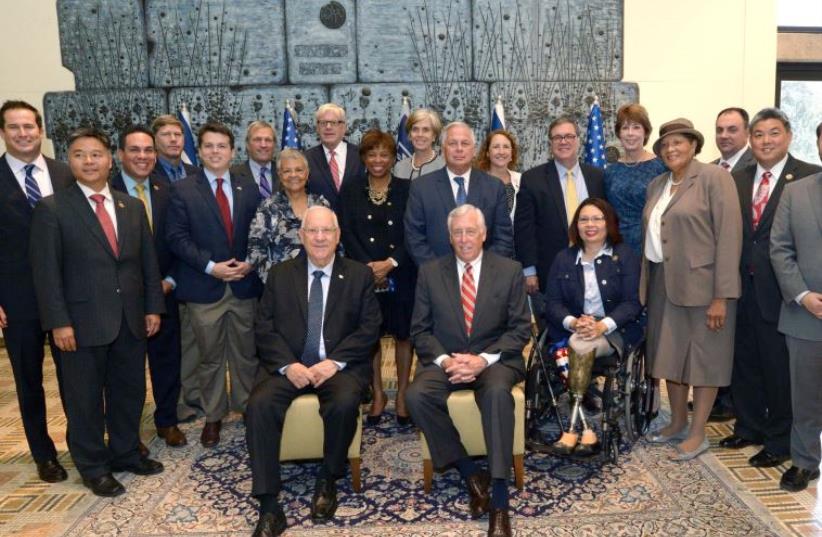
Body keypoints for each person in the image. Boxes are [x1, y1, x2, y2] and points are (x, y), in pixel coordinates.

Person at [29, 127, 165, 497]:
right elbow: (46, 274)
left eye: (96, 154)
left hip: (130, 320)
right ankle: (93, 465)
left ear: (111, 159)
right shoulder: (52, 209)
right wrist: (58, 322)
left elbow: (147, 264)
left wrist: (153, 307)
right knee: (84, 398)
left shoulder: (131, 206)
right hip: (80, 324)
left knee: (129, 392)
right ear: (68, 160)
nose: (89, 161)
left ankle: (124, 452)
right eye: (79, 154)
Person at [247, 206, 381, 537]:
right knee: (259, 405)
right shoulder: (280, 274)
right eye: (312, 231)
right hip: (287, 365)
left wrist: (332, 363)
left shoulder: (359, 275)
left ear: (337, 236)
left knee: (345, 401)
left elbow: (369, 329)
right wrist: (288, 365)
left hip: (337, 365)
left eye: (326, 231)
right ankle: (268, 504)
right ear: (302, 236)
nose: (320, 237)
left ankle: (328, 478)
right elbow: (263, 328)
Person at [405, 204, 530, 537]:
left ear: (484, 233)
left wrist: (482, 361)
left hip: (495, 360)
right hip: (447, 359)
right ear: (449, 237)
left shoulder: (510, 270)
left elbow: (520, 329)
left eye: (470, 231)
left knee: (496, 394)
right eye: (457, 232)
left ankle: (500, 499)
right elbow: (420, 330)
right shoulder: (431, 272)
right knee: (416, 395)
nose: (464, 238)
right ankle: (469, 471)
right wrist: (447, 361)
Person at [720, 109, 821, 468]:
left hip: (785, 293)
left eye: (773, 133)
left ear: (790, 136)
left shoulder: (809, 177)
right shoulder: (738, 178)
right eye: (759, 134)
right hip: (741, 288)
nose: (765, 141)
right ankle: (749, 426)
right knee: (744, 361)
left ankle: (780, 439)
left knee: (779, 369)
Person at [641, 118, 742, 461]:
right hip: (662, 283)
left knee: (704, 361)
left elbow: (729, 237)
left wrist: (721, 296)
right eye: (666, 145)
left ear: (694, 145)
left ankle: (698, 433)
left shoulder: (715, 178)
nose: (671, 149)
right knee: (669, 356)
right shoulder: (657, 184)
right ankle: (677, 422)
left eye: (679, 142)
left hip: (704, 289)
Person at [166, 122, 263, 448]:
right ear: (199, 151)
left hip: (243, 285)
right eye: (208, 146)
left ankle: (248, 409)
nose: (215, 151)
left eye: (222, 146)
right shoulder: (182, 189)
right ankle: (213, 416)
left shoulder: (247, 187)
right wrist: (211, 266)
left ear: (233, 151)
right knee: (209, 358)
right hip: (204, 288)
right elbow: (176, 238)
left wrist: (250, 261)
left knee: (245, 355)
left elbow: (258, 231)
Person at [0, 100, 73, 483]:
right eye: (14, 127)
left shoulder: (64, 173)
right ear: (3, 132)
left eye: (29, 126)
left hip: (67, 295)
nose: (23, 133)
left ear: (40, 129)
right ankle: (44, 454)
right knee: (29, 380)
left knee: (75, 375)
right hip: (17, 299)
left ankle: (83, 444)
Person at [543, 198, 642, 455]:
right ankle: (585, 428)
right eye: (584, 219)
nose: (590, 225)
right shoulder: (564, 259)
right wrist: (574, 322)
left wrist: (602, 326)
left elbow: (633, 303)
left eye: (597, 218)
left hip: (613, 329)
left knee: (579, 345)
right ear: (576, 225)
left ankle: (573, 428)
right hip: (574, 326)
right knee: (577, 341)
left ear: (608, 223)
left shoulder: (626, 256)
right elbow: (552, 303)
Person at [110, 125, 187, 448]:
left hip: (164, 291)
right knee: (125, 369)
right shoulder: (106, 191)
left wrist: (169, 281)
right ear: (120, 155)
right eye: (135, 150)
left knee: (166, 361)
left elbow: (179, 241)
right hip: (119, 298)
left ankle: (167, 420)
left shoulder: (167, 190)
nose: (142, 157)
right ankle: (129, 434)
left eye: (148, 151)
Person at [339, 129, 415, 425]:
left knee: (403, 335)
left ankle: (403, 395)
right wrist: (369, 268)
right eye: (372, 154)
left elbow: (414, 230)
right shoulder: (350, 189)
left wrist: (391, 263)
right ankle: (379, 395)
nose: (378, 160)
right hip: (363, 274)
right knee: (369, 335)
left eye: (384, 154)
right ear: (363, 158)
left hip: (402, 272)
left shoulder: (408, 189)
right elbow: (345, 230)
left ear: (393, 157)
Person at [770, 170, 822, 492]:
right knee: (805, 395)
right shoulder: (796, 191)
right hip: (806, 313)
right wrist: (803, 296)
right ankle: (804, 461)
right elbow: (780, 248)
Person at [515, 116, 605, 297]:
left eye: (569, 136)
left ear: (578, 140)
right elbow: (524, 229)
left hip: (595, 266)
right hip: (550, 269)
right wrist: (529, 271)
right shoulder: (532, 179)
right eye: (557, 137)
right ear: (550, 143)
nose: (563, 141)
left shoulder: (598, 177)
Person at [150, 114, 202, 424]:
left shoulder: (195, 173)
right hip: (162, 273)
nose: (173, 140)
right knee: (168, 348)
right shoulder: (147, 173)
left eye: (177, 134)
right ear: (155, 140)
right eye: (167, 135)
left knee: (192, 343)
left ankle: (191, 396)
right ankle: (173, 404)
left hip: (191, 271)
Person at [404, 121, 513, 267]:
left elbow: (503, 237)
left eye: (465, 143)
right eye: (453, 143)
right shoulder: (421, 187)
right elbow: (414, 238)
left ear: (474, 150)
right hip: (436, 279)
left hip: (484, 281)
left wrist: (479, 271)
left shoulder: (494, 187)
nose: (459, 149)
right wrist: (437, 274)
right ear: (443, 150)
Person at [247, 148, 332, 283]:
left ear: (307, 173)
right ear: (280, 175)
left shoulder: (321, 204)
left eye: (299, 170)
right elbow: (256, 251)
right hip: (282, 287)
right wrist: (275, 283)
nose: (293, 175)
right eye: (287, 171)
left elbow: (335, 245)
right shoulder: (268, 207)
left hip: (320, 282)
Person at [603, 103, 666, 254]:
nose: (630, 133)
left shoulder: (661, 167)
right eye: (625, 128)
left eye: (636, 127)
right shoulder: (610, 171)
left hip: (651, 245)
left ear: (646, 132)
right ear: (619, 133)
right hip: (617, 246)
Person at [305, 103, 362, 211]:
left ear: (344, 127)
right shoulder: (306, 158)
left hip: (356, 225)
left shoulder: (361, 155)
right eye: (323, 123)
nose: (328, 127)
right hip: (321, 225)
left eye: (334, 123)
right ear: (317, 128)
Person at [476, 129, 522, 224]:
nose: (501, 152)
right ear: (487, 153)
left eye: (506, 147)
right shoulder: (476, 182)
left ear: (511, 154)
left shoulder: (522, 180)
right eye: (496, 147)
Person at [231, 120, 279, 200]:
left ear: (274, 145)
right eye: (257, 140)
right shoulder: (232, 175)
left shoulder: (284, 173)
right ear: (247, 144)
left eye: (268, 140)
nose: (263, 145)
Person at [393, 107, 445, 180]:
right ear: (410, 135)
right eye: (415, 129)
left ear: (434, 136)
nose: (420, 134)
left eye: (426, 130)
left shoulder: (444, 167)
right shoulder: (400, 167)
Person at [713, 107, 755, 172]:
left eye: (732, 130)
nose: (724, 136)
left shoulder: (759, 166)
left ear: (747, 132)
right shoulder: (708, 169)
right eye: (719, 130)